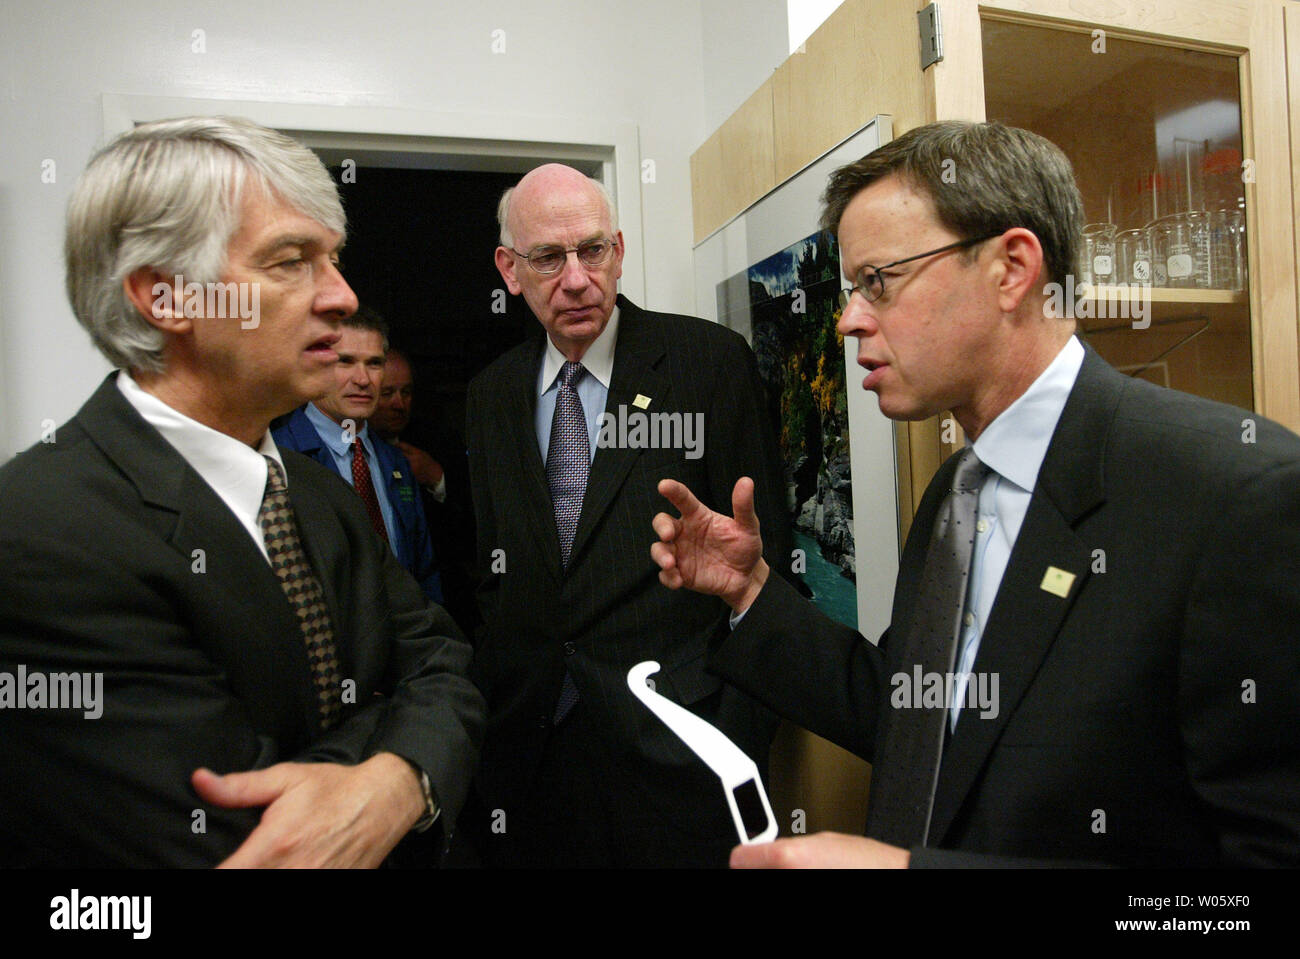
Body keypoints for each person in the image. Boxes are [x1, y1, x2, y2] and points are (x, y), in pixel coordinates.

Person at [651, 121, 1300, 868]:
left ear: (1011, 268)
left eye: (878, 282)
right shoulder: (956, 496)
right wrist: (751, 592)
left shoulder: (1236, 500)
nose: (847, 317)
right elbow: (916, 719)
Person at [0, 116, 484, 867]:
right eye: (292, 260)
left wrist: (396, 781)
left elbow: (445, 667)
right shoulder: (36, 528)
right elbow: (240, 830)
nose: (342, 295)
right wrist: (399, 739)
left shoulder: (319, 499)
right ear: (166, 297)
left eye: (334, 259)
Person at [461, 163, 793, 867]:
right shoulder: (490, 396)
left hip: (679, 748)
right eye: (548, 258)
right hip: (534, 752)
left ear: (618, 249)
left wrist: (735, 734)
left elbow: (767, 567)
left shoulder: (707, 364)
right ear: (509, 269)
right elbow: (494, 574)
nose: (576, 279)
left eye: (593, 251)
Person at [272, 308, 443, 604]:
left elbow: (423, 573)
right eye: (346, 362)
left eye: (374, 364)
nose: (362, 379)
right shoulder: (278, 456)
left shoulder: (395, 462)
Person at [371, 347, 479, 634]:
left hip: (444, 601)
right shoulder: (353, 450)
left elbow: (478, 520)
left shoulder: (437, 440)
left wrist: (437, 478)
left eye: (406, 393)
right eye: (387, 393)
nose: (399, 404)